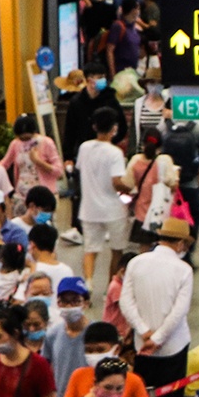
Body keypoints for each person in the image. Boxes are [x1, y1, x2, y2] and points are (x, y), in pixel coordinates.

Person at [121, 216, 196, 397]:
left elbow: (126, 301)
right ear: (181, 244)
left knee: (142, 395)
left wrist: (144, 332)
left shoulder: (136, 263)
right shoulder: (183, 270)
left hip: (141, 344)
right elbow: (179, 311)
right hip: (173, 345)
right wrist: (160, 337)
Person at [75, 105, 131, 283]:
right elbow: (117, 182)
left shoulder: (84, 148)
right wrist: (130, 188)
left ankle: (89, 284)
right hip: (113, 210)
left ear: (94, 127)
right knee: (116, 250)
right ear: (114, 129)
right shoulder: (115, 153)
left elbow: (79, 169)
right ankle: (111, 287)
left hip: (89, 209)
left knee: (90, 249)